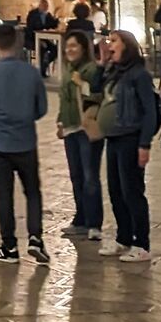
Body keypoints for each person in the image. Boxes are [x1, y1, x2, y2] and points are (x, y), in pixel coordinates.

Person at [0, 22, 48, 264]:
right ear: (17, 43)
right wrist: (26, 118)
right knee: (32, 192)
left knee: (4, 195)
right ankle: (35, 237)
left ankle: (9, 246)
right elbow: (42, 108)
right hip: (26, 141)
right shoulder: (31, 73)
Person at [95, 31, 161, 261]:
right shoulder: (114, 71)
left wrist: (144, 144)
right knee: (115, 191)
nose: (110, 44)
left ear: (127, 46)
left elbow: (149, 112)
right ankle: (123, 238)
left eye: (114, 41)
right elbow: (96, 89)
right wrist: (103, 62)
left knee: (132, 191)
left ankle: (141, 243)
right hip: (113, 138)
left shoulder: (139, 74)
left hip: (130, 138)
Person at [55, 30, 105, 238]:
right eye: (67, 46)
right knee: (76, 175)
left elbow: (97, 96)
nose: (70, 50)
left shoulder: (92, 69)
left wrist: (81, 84)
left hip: (86, 128)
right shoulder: (67, 69)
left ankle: (94, 223)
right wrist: (60, 120)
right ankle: (81, 218)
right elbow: (64, 97)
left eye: (74, 46)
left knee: (89, 175)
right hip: (70, 127)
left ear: (84, 48)